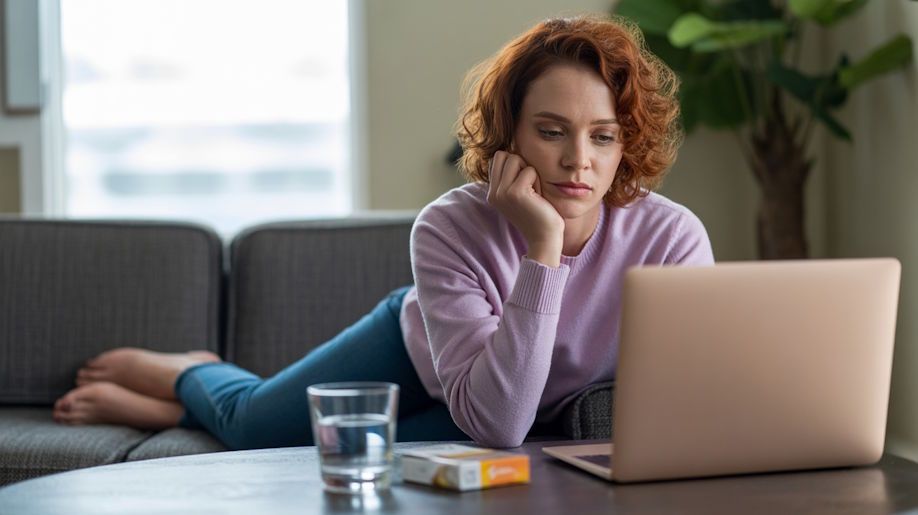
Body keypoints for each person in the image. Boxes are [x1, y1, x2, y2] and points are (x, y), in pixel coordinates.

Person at [52, 15, 714, 449]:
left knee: (352, 439)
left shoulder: (672, 240)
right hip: (423, 347)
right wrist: (542, 247)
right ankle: (191, 374)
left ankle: (177, 417)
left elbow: (504, 423)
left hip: (500, 400)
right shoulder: (450, 226)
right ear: (512, 132)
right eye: (551, 131)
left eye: (602, 137)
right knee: (254, 424)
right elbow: (503, 422)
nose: (579, 161)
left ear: (627, 143)